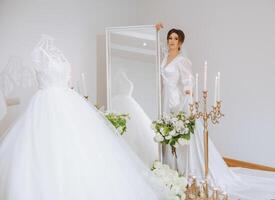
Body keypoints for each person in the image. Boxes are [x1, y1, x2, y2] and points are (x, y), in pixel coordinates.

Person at [0, 35, 162, 200]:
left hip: (69, 101)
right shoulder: (38, 53)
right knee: (47, 148)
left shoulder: (58, 54)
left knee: (82, 149)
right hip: (46, 105)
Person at [156, 23, 275, 199]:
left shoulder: (182, 60)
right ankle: (172, 168)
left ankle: (191, 171)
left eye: (175, 38)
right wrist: (155, 30)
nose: (171, 41)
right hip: (166, 99)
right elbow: (155, 48)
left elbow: (188, 81)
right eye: (169, 37)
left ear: (180, 43)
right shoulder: (164, 56)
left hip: (178, 100)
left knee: (185, 135)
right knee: (168, 134)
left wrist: (188, 95)